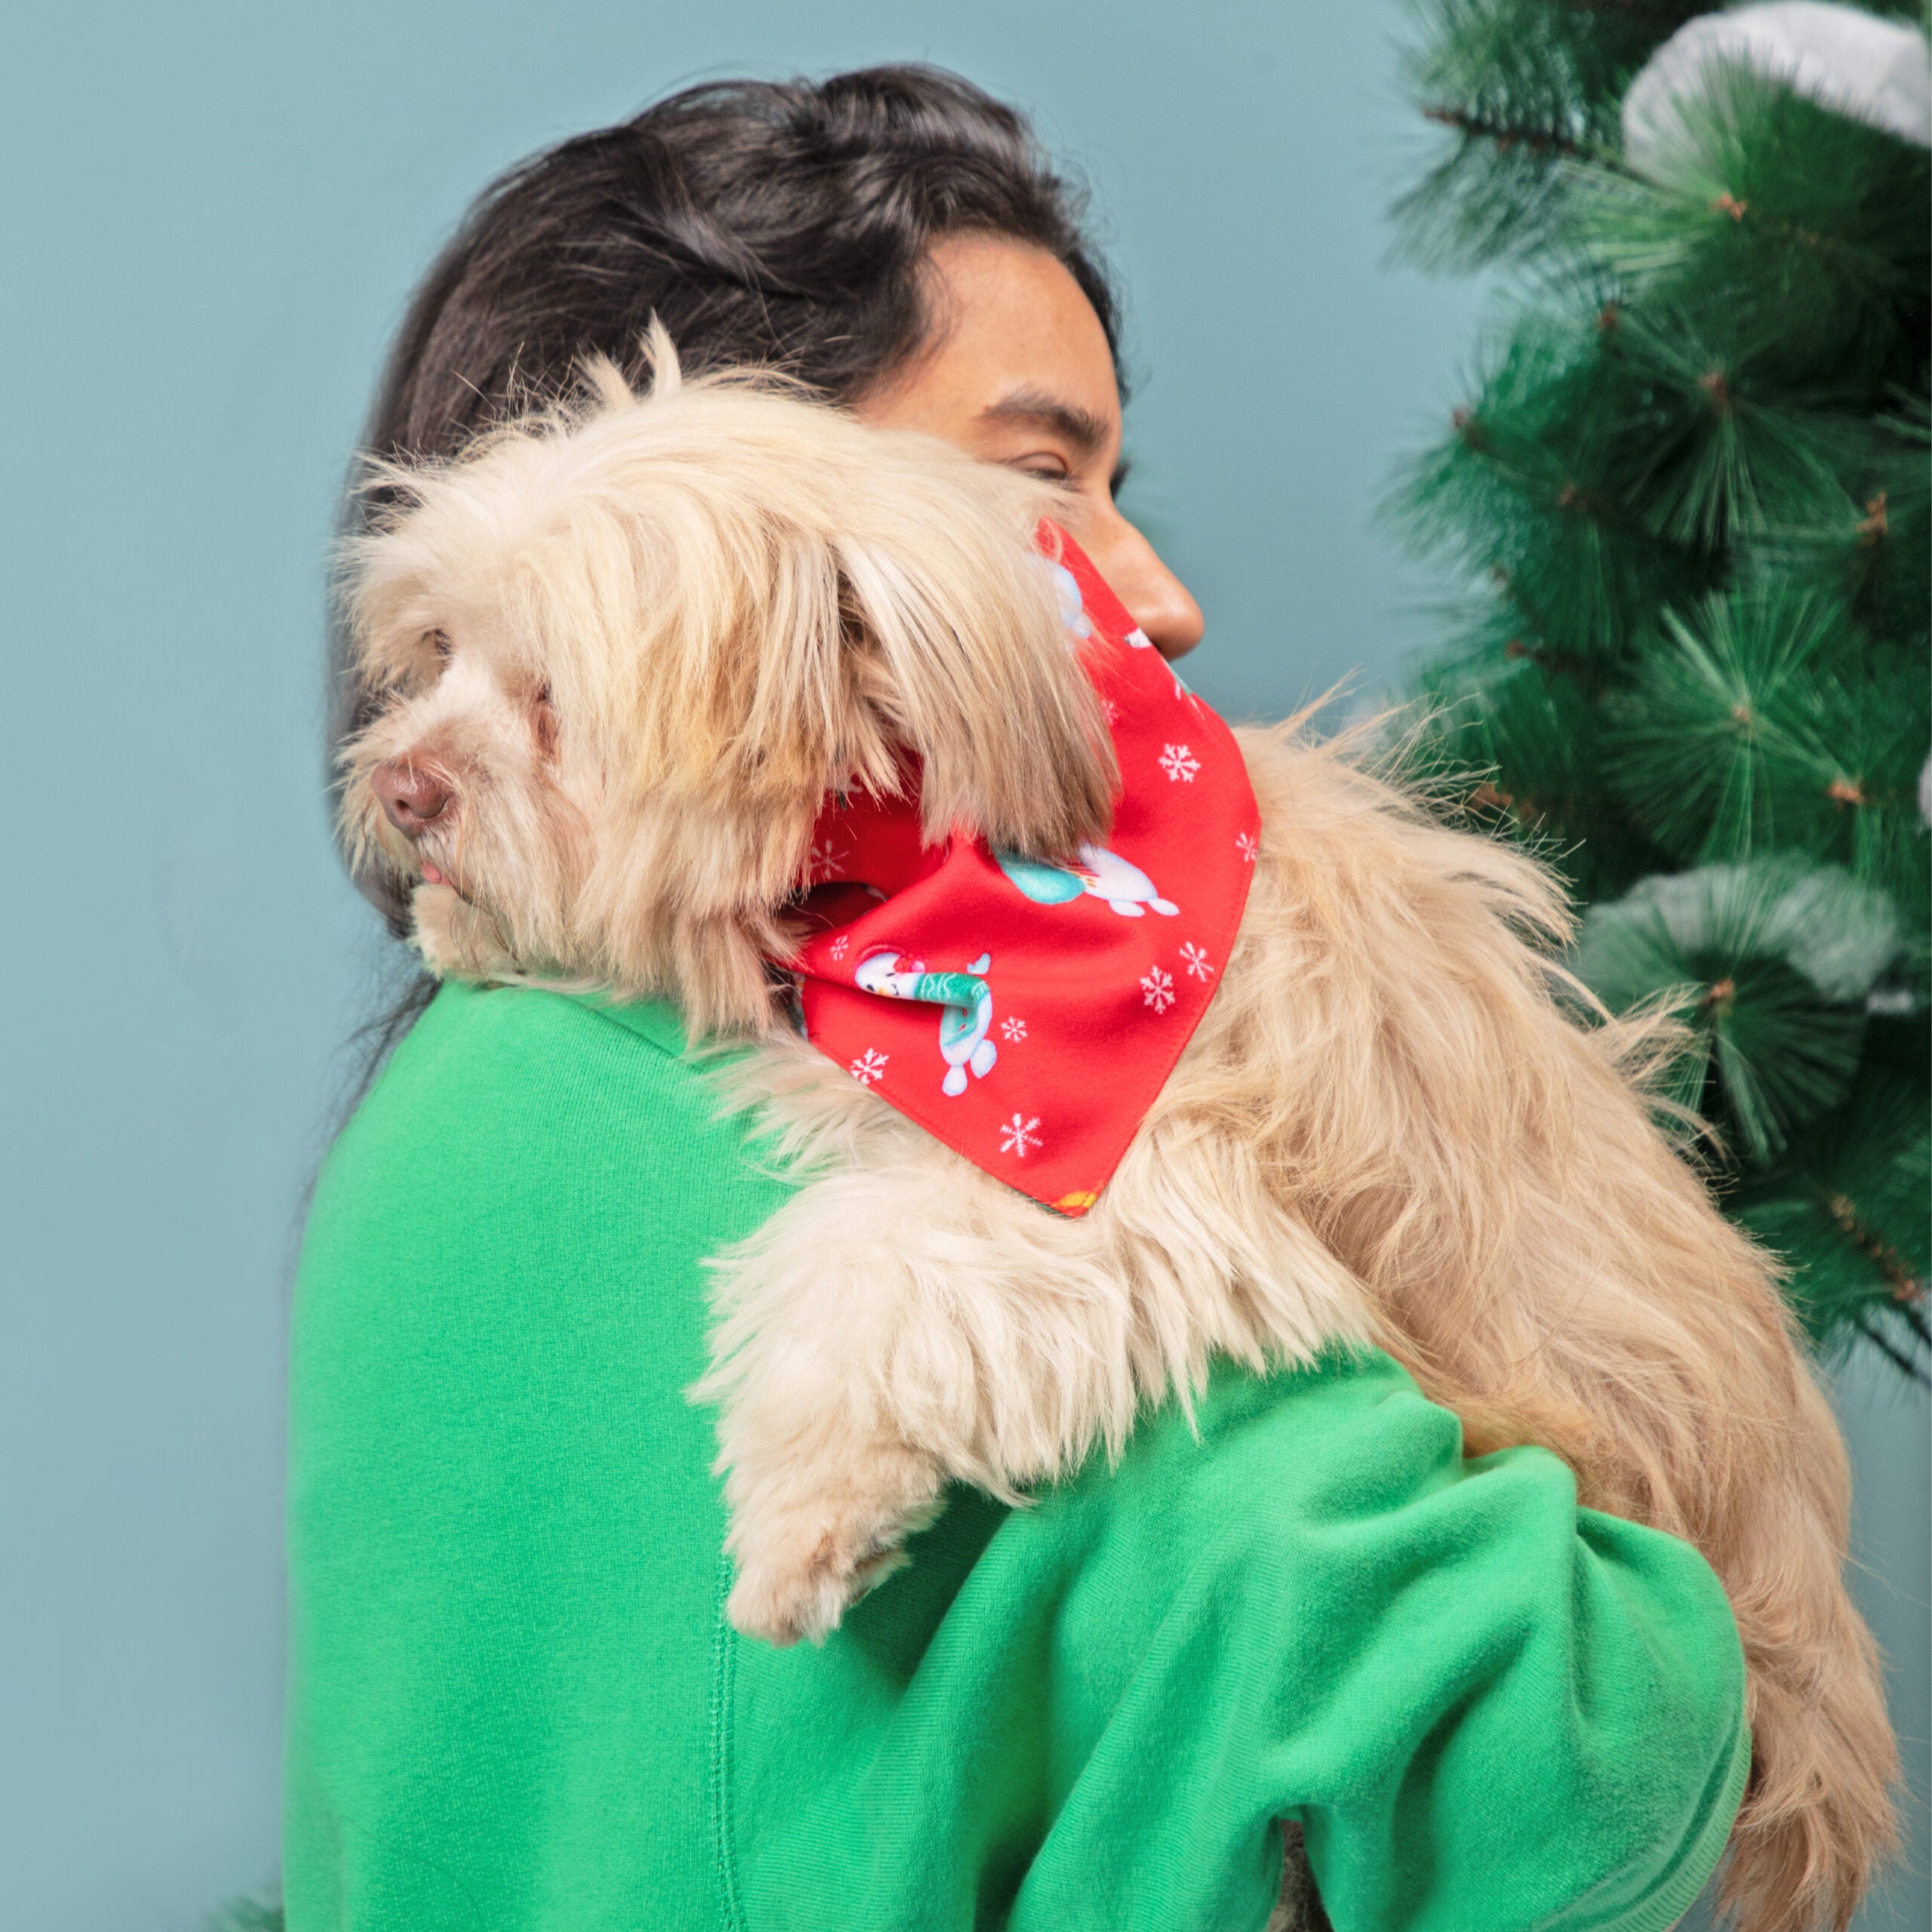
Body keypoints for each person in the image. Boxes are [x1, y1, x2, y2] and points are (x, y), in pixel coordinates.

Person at [291, 66, 1750, 1931]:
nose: (1155, 599)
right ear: (764, 561)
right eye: (1037, 479)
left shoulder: (501, 1112)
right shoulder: (668, 1129)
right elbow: (1574, 1737)